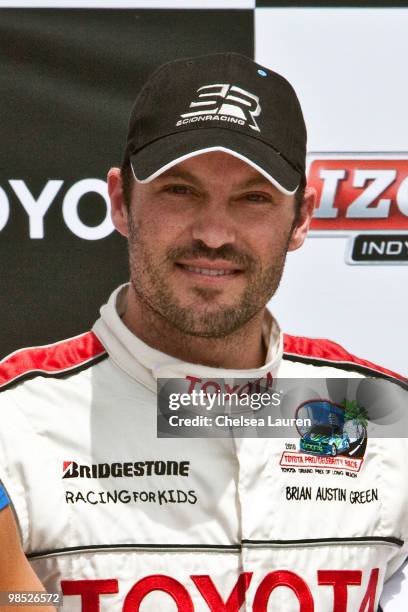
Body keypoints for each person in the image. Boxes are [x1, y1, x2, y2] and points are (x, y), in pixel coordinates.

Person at [0, 52, 407, 612]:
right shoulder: (14, 420)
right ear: (121, 202)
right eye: (180, 190)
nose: (214, 233)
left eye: (253, 198)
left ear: (303, 217)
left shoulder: (382, 411)